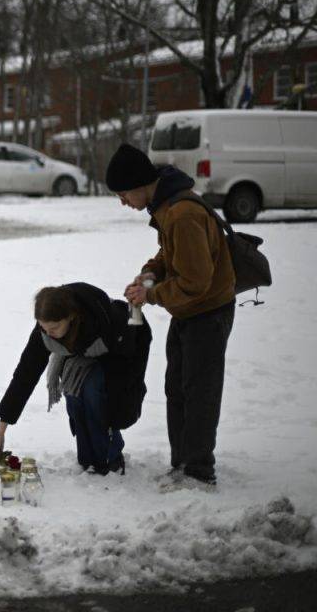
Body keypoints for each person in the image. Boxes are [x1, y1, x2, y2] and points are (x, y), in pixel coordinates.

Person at [106, 143, 235, 490]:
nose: (123, 202)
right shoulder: (166, 205)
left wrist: (151, 294)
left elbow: (195, 281)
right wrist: (150, 273)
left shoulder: (181, 213)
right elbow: (169, 254)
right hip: (190, 311)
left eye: (122, 194)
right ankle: (183, 464)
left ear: (138, 185)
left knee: (199, 392)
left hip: (207, 312)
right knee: (177, 387)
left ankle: (198, 471)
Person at [0, 283, 151, 475]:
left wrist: (118, 413)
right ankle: (87, 460)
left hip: (123, 347)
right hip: (81, 351)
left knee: (94, 392)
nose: (48, 333)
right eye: (43, 327)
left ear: (71, 317)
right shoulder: (47, 330)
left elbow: (127, 367)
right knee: (73, 391)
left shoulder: (106, 320)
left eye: (54, 328)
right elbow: (25, 375)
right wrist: (1, 431)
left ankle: (109, 457)